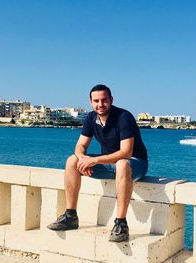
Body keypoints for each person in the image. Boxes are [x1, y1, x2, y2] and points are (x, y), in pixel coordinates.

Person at [47, 84, 148, 242]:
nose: (100, 104)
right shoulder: (90, 118)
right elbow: (80, 146)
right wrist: (83, 160)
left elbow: (126, 153)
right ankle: (70, 216)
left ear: (111, 100)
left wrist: (93, 160)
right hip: (110, 164)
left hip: (135, 164)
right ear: (90, 102)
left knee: (122, 163)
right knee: (72, 160)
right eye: (96, 101)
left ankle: (121, 224)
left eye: (104, 100)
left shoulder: (124, 117)